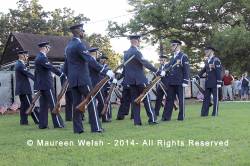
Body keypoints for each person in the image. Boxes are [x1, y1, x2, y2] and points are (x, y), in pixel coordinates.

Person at [64, 23, 115, 133]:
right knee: (91, 101)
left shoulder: (68, 47)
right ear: (79, 31)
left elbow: (66, 65)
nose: (83, 33)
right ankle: (96, 127)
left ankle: (78, 129)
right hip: (82, 79)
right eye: (83, 30)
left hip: (73, 80)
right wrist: (105, 70)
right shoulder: (79, 45)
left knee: (76, 104)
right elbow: (90, 60)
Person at [123, 35, 165, 126]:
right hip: (139, 80)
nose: (139, 43)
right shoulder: (136, 52)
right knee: (146, 99)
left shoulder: (126, 53)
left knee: (135, 101)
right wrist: (158, 71)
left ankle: (137, 122)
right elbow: (145, 63)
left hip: (130, 81)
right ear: (137, 41)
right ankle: (152, 119)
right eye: (139, 41)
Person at [34, 42, 65, 129]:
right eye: (48, 47)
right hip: (47, 85)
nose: (49, 49)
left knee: (43, 106)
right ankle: (58, 124)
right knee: (53, 104)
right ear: (44, 48)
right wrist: (61, 74)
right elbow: (51, 67)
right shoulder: (42, 57)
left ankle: (42, 125)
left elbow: (41, 72)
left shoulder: (38, 57)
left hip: (42, 85)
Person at [162, 40, 190, 121]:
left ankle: (181, 117)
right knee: (169, 99)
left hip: (180, 81)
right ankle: (166, 117)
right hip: (171, 82)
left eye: (173, 45)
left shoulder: (183, 56)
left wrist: (185, 81)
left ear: (179, 46)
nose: (172, 47)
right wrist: (164, 71)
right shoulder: (172, 57)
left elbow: (186, 69)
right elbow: (169, 67)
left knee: (181, 100)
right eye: (171, 45)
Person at [195, 46, 222, 116]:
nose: (205, 52)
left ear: (212, 51)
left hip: (215, 82)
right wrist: (197, 76)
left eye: (207, 51)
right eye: (205, 51)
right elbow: (204, 69)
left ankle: (215, 113)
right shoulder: (207, 60)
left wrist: (219, 82)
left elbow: (219, 71)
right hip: (208, 82)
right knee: (206, 98)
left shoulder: (216, 60)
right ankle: (204, 113)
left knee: (215, 98)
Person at [15, 51, 39, 125]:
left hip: (22, 89)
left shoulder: (20, 64)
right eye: (26, 55)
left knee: (24, 106)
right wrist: (38, 80)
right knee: (31, 104)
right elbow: (28, 74)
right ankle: (38, 120)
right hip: (24, 89)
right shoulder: (20, 65)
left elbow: (26, 72)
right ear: (21, 56)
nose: (27, 57)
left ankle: (23, 121)